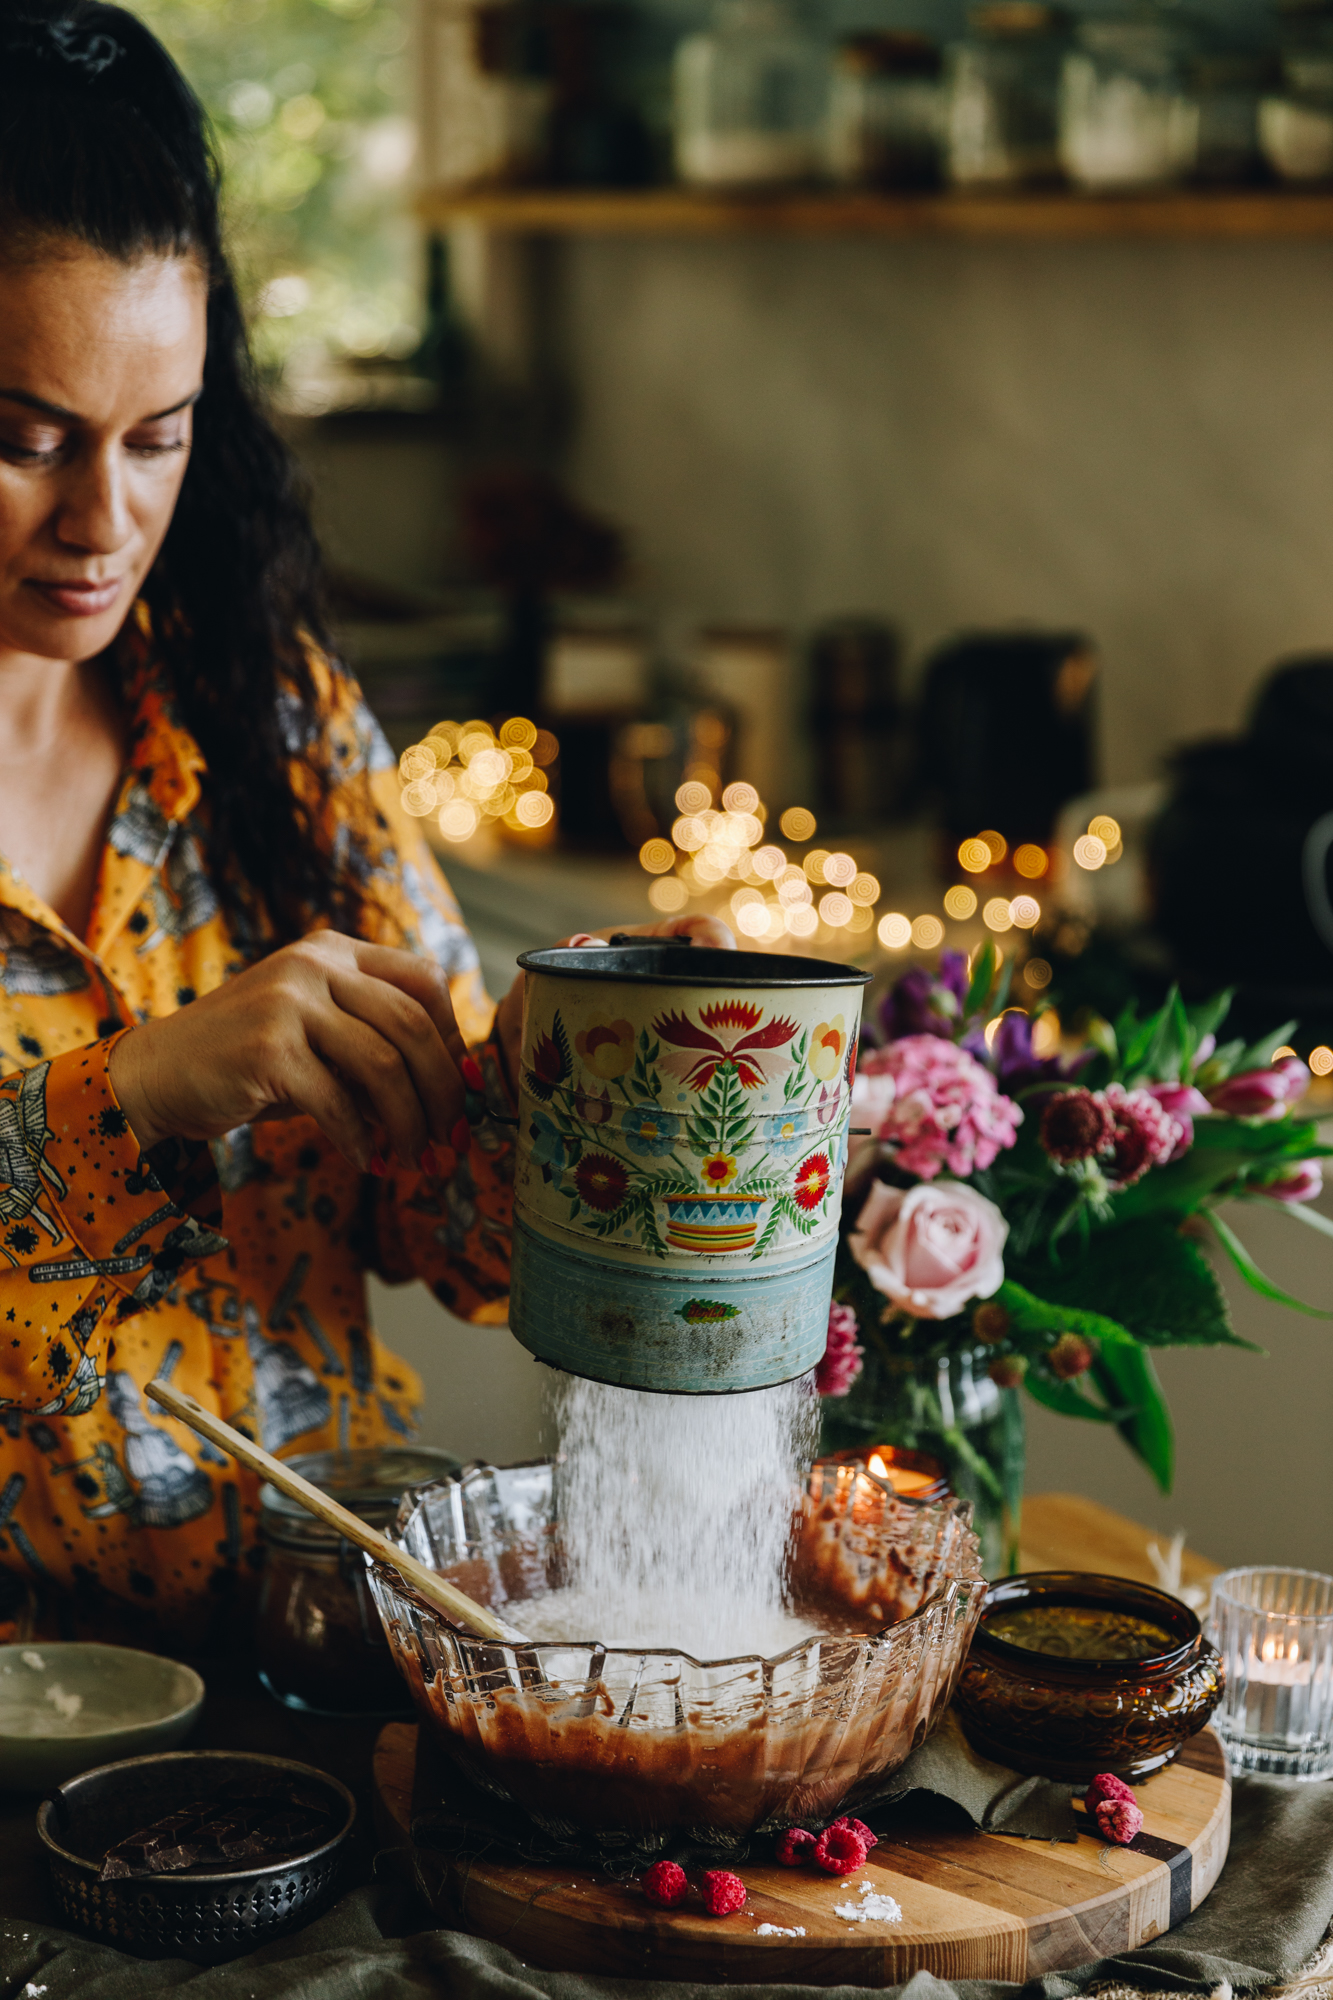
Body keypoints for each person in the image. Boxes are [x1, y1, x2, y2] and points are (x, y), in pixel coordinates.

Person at [0, 2, 727, 1648]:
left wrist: (550, 1081)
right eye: (24, 440)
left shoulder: (271, 719)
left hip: (319, 1674)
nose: (103, 520)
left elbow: (443, 1233)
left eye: (159, 437)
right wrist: (133, 1093)